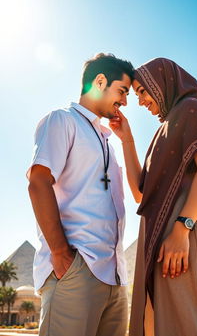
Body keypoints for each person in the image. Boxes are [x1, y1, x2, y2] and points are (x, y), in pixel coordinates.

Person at [110, 57, 197, 336]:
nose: (140, 101)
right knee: (154, 322)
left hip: (184, 233)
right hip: (161, 237)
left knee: (183, 322)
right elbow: (140, 194)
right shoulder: (164, 128)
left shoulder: (191, 108)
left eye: (143, 92)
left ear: (162, 83)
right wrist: (127, 139)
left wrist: (181, 230)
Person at [27, 53, 134, 336]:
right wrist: (62, 255)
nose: (125, 101)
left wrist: (127, 140)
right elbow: (38, 182)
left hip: (114, 276)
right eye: (122, 91)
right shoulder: (62, 120)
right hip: (77, 269)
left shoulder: (108, 143)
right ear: (100, 81)